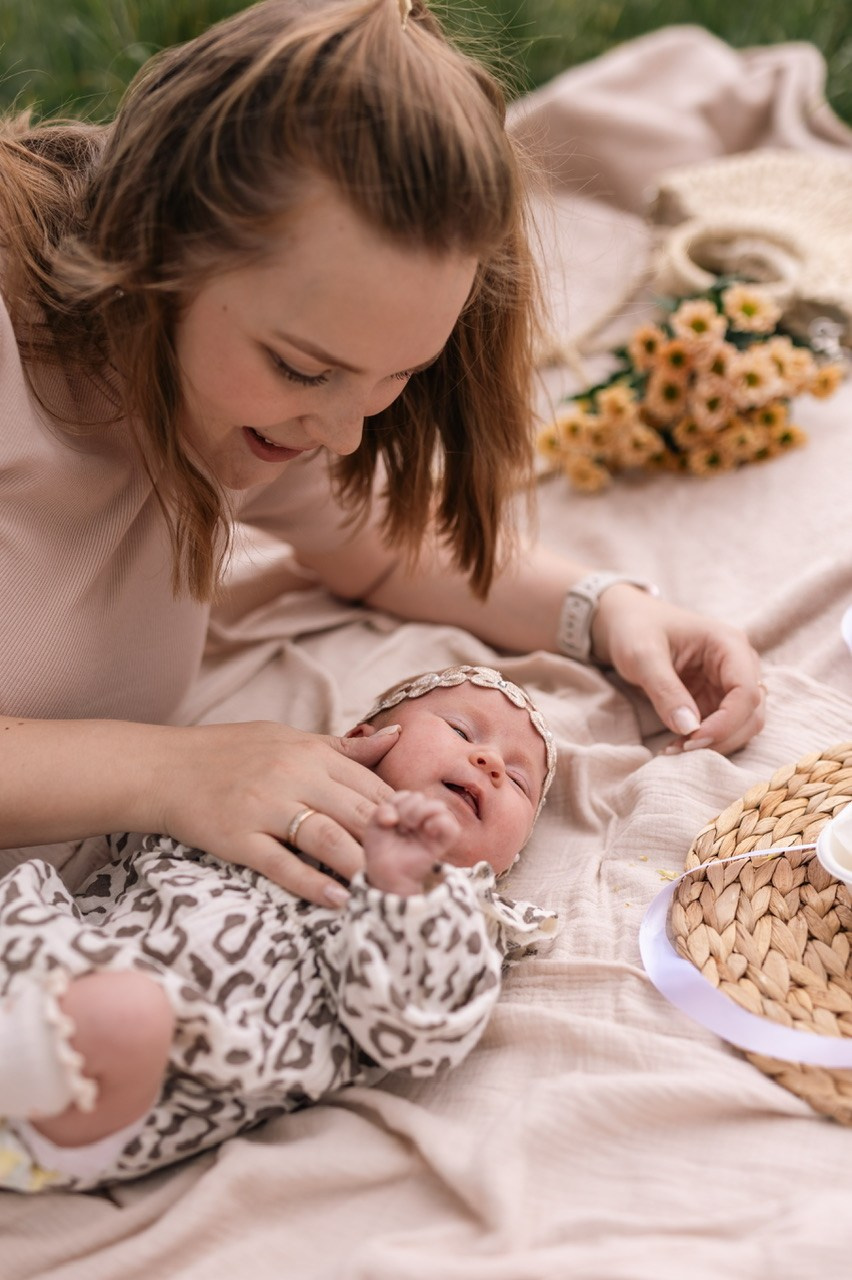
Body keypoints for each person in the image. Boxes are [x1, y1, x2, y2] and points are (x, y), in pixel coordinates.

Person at [0, 0, 763, 913]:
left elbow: (373, 544)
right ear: (151, 246)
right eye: (303, 367)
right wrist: (171, 771)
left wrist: (606, 612)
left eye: (396, 376)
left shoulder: (235, 390)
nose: (347, 433)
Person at [0, 666, 559, 1192]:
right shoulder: (255, 784)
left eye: (517, 781)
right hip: (58, 954)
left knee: (123, 1015)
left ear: (506, 862)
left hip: (163, 1072)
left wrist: (401, 891)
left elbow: (419, 1034)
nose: (488, 761)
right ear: (366, 740)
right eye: (461, 730)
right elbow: (129, 837)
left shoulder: (458, 916)